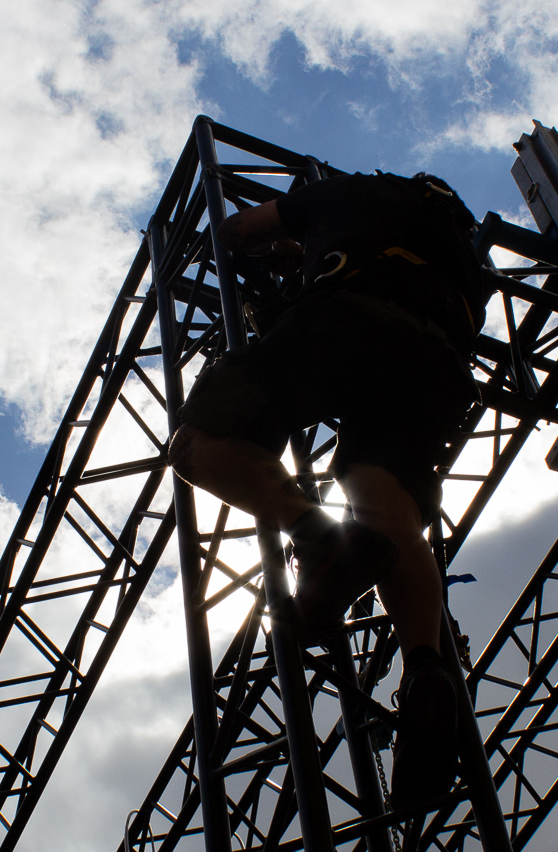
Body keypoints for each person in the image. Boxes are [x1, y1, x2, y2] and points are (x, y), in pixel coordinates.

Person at [168, 170, 488, 811]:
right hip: (441, 361)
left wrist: (275, 239)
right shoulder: (462, 252)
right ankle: (427, 666)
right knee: (384, 498)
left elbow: (238, 231)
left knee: (199, 441)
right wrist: (306, 251)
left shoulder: (349, 193)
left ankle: (317, 535)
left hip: (349, 315)